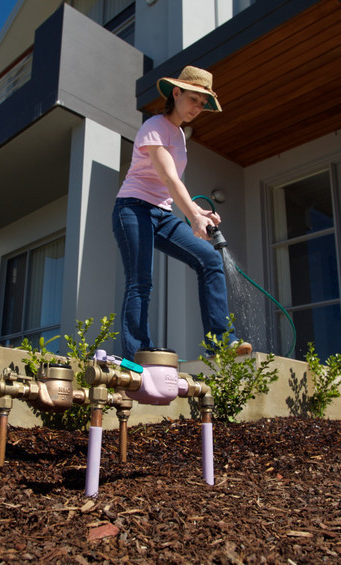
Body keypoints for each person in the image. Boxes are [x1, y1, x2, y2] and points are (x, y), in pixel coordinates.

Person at [112, 65, 252, 361]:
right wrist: (194, 216)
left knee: (210, 259)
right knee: (140, 281)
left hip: (160, 214)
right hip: (132, 209)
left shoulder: (179, 135)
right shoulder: (153, 127)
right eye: (193, 99)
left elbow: (171, 189)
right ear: (176, 93)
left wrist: (199, 211)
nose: (198, 108)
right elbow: (169, 179)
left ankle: (221, 342)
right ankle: (137, 355)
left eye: (203, 104)